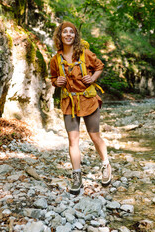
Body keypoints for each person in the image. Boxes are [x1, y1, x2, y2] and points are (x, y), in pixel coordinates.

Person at [50, 21, 111, 195]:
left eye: (71, 32)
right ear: (60, 36)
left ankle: (106, 164)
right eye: (64, 32)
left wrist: (92, 79)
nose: (68, 34)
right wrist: (57, 82)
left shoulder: (85, 54)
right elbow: (53, 78)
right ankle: (77, 176)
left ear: (75, 36)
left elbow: (99, 66)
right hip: (69, 103)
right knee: (73, 140)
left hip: (89, 100)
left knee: (94, 136)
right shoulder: (55, 60)